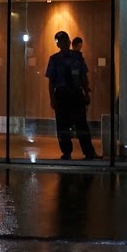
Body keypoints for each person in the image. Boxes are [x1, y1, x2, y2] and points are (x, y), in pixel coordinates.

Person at [45, 30, 97, 159]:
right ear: (58, 44)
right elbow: (51, 81)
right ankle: (66, 152)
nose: (63, 43)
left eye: (65, 40)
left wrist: (86, 92)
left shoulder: (78, 57)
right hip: (62, 94)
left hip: (75, 93)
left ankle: (88, 151)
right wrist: (52, 98)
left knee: (81, 123)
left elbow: (83, 76)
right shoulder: (54, 60)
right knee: (62, 124)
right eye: (60, 41)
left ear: (69, 41)